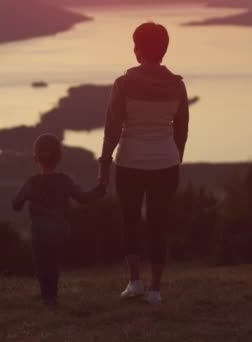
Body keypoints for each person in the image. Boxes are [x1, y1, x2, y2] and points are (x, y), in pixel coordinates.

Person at [98, 22, 190, 305]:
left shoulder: (124, 84)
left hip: (129, 162)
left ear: (138, 50)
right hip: (166, 163)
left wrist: (104, 165)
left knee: (131, 221)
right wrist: (175, 158)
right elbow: (182, 130)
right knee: (158, 224)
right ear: (163, 50)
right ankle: (155, 290)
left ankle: (135, 282)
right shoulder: (177, 85)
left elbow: (112, 128)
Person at [13, 134, 106, 306]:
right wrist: (101, 187)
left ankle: (47, 297)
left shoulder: (31, 183)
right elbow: (83, 198)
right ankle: (52, 297)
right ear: (59, 157)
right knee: (53, 262)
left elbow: (16, 205)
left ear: (35, 158)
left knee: (42, 264)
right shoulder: (65, 180)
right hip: (60, 232)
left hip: (39, 233)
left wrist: (24, 201)